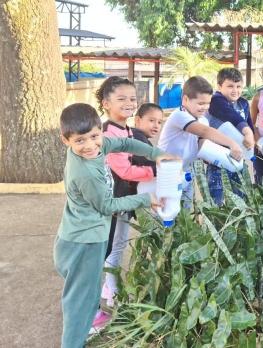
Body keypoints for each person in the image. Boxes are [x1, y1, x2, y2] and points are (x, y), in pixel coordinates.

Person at [54, 103, 179, 347]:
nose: (90, 145)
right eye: (80, 141)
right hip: (83, 243)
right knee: (81, 305)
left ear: (101, 131)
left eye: (94, 136)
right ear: (65, 140)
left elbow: (124, 143)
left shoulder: (97, 146)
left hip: (76, 236)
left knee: (82, 297)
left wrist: (155, 153)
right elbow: (107, 206)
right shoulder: (86, 173)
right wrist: (146, 199)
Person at [94, 77, 156, 311]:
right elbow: (125, 170)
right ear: (106, 103)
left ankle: (111, 288)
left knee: (118, 244)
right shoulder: (109, 132)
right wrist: (154, 169)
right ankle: (112, 293)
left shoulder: (127, 129)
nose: (129, 103)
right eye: (121, 99)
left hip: (123, 197)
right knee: (115, 246)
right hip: (114, 199)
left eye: (132, 98)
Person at [158, 76, 243, 202]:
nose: (205, 107)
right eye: (201, 103)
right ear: (185, 99)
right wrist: (232, 143)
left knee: (185, 215)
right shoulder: (179, 115)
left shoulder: (203, 119)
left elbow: (203, 144)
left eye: (208, 103)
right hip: (168, 174)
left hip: (187, 174)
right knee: (167, 214)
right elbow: (205, 131)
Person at [205, 67, 255, 205]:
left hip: (238, 159)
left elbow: (249, 123)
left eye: (238, 86)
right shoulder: (215, 100)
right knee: (215, 202)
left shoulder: (243, 103)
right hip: (216, 161)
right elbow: (230, 115)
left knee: (241, 199)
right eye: (230, 86)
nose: (235, 90)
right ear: (219, 87)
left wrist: (251, 138)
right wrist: (248, 132)